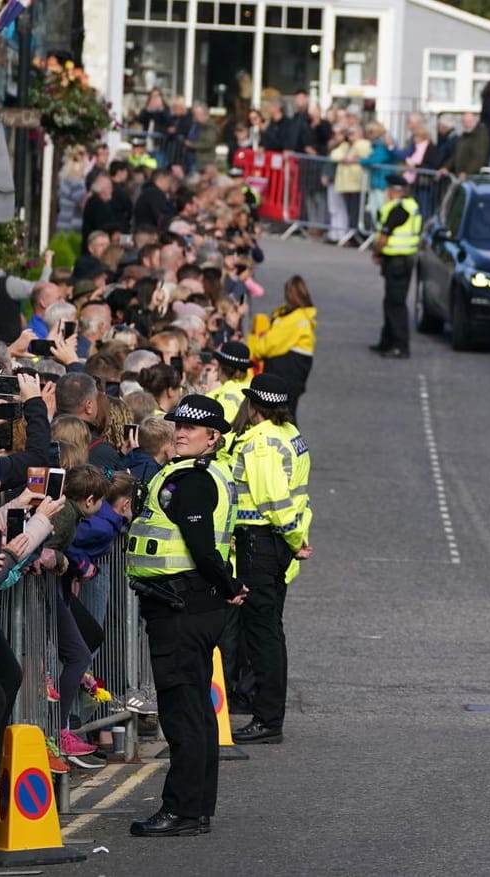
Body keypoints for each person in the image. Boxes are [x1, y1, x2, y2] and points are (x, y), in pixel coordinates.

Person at [127, 395, 244, 838]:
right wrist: (228, 586)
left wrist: (230, 586)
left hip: (182, 607)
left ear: (213, 438)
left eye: (191, 428)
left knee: (182, 714)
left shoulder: (193, 479)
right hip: (190, 604)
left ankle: (183, 810)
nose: (180, 432)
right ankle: (194, 808)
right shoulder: (198, 472)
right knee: (194, 711)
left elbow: (200, 544)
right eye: (177, 425)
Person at [228, 375, 312, 745]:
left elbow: (275, 502)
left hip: (261, 543)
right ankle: (269, 715)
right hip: (276, 544)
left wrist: (294, 539)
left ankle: (267, 719)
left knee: (263, 636)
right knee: (269, 631)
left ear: (254, 405)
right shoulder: (289, 433)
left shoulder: (260, 442)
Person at [249, 276, 316, 419]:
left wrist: (250, 344)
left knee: (283, 416)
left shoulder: (294, 320)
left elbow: (266, 346)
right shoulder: (298, 316)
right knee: (285, 414)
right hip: (294, 372)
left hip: (287, 372)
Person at [368, 175, 420, 360]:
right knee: (390, 301)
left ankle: (400, 345)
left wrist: (376, 253)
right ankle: (387, 341)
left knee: (395, 303)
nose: (386, 193)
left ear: (393, 191)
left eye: (388, 190)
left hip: (397, 261)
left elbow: (384, 237)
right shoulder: (411, 205)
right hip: (403, 259)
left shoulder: (398, 209)